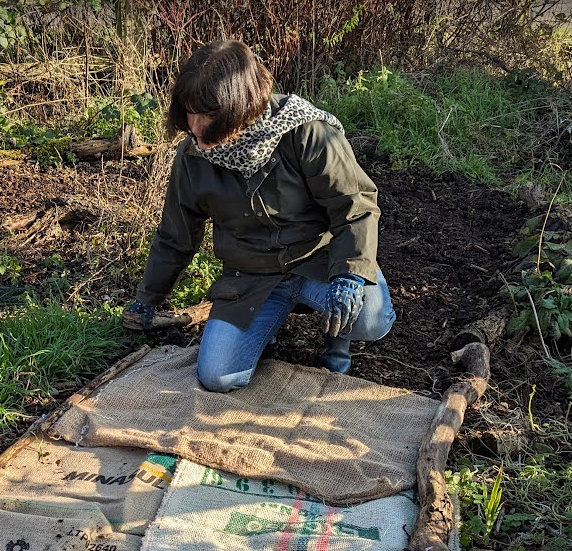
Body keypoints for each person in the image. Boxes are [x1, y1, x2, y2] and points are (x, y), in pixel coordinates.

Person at [122, 39, 395, 390]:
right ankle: (266, 328)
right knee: (217, 376)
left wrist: (350, 276)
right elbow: (176, 236)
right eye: (191, 113)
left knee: (370, 317)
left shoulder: (305, 131)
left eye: (208, 116)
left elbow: (355, 206)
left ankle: (336, 343)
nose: (196, 127)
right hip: (251, 275)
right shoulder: (192, 157)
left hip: (319, 261)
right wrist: (148, 298)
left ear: (241, 108)